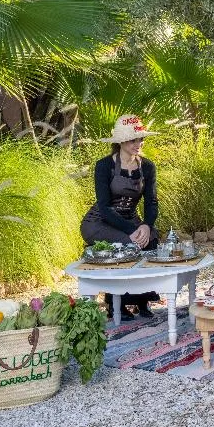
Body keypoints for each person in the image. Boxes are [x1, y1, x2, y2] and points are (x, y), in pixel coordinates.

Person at [80, 114, 161, 321]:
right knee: (128, 244)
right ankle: (115, 303)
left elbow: (151, 202)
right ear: (121, 142)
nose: (138, 143)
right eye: (133, 140)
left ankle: (142, 300)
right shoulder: (104, 165)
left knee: (151, 240)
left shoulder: (148, 166)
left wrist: (146, 225)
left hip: (131, 219)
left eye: (141, 139)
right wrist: (132, 231)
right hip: (100, 221)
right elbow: (105, 207)